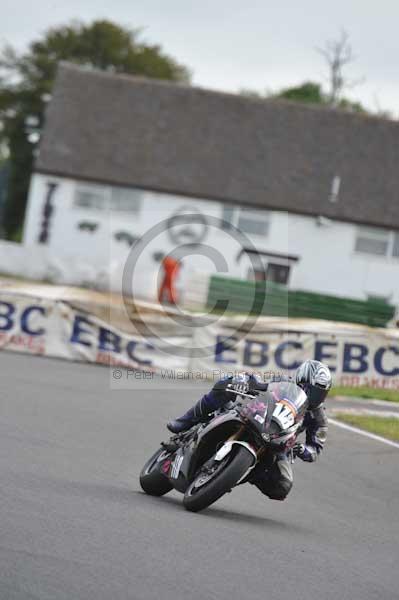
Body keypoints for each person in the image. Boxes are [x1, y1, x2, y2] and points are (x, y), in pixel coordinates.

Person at [167, 360, 332, 501]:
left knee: (282, 486)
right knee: (226, 384)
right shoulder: (283, 381)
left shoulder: (319, 418)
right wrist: (247, 381)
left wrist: (303, 449)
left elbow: (315, 448)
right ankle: (186, 421)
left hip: (279, 442)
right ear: (302, 380)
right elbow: (259, 382)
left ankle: (242, 472)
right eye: (314, 390)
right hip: (253, 415)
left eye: (321, 393)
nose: (316, 397)